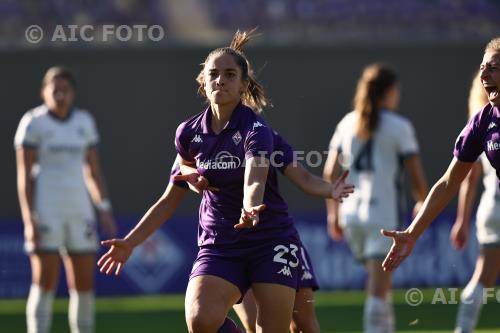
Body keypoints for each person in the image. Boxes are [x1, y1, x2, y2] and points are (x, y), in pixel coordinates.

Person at [99, 134, 353, 333]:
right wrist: (130, 241)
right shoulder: (194, 136)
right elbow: (170, 197)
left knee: (305, 326)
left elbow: (304, 177)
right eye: (215, 76)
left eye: (231, 77)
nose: (222, 85)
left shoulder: (264, 134)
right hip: (227, 246)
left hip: (274, 240)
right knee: (248, 325)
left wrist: (330, 189)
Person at [380, 37, 500, 277]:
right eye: (482, 68)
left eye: (493, 68)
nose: (484, 76)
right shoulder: (483, 121)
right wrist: (412, 233)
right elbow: (449, 183)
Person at [323, 63, 428, 333]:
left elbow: (329, 173)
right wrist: (423, 202)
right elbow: (415, 174)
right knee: (378, 293)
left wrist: (333, 214)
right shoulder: (399, 126)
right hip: (383, 219)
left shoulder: (347, 123)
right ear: (390, 92)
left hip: (351, 217)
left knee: (381, 285)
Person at [14, 66, 116, 333]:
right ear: (43, 92)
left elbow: (93, 171)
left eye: (65, 90)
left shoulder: (84, 122)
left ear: (73, 93)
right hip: (46, 209)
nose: (60, 95)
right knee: (44, 280)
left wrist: (103, 208)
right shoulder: (33, 123)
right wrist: (29, 220)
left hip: (79, 209)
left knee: (83, 284)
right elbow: (23, 177)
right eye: (54, 89)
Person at [449, 72, 500, 333]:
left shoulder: (480, 123)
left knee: (483, 276)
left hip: (492, 207)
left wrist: (461, 220)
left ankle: (462, 329)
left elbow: (467, 179)